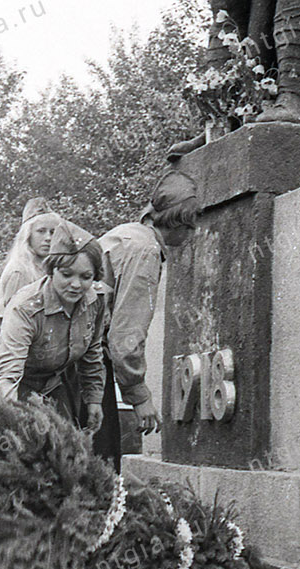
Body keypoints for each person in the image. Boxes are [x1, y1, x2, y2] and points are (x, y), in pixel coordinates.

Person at [92, 170, 200, 469]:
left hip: (73, 359)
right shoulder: (146, 251)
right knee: (100, 472)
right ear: (178, 220)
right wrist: (139, 396)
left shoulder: (128, 233)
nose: (192, 233)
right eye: (191, 225)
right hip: (86, 368)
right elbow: (125, 337)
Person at [0, 239, 110, 430]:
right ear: (52, 271)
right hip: (10, 380)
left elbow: (92, 352)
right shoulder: (25, 307)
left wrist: (94, 400)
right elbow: (8, 371)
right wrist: (8, 419)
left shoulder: (95, 301)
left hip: (51, 381)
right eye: (66, 275)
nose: (76, 285)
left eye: (86, 277)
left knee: (65, 442)